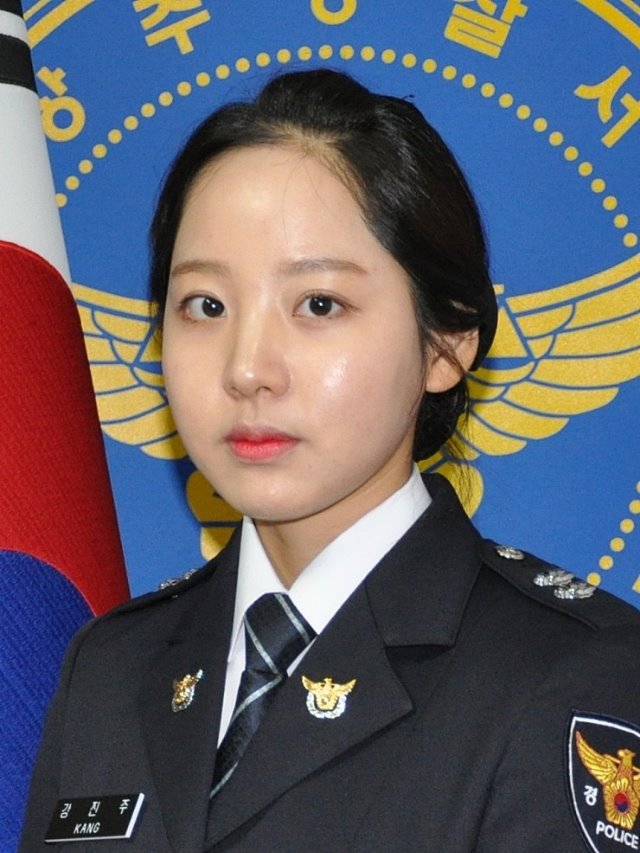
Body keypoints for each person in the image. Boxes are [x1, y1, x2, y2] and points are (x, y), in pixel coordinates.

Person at [21, 68, 640, 852]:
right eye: (206, 306)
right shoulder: (111, 669)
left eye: (318, 304)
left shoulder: (573, 671)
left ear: (447, 342)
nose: (248, 368)